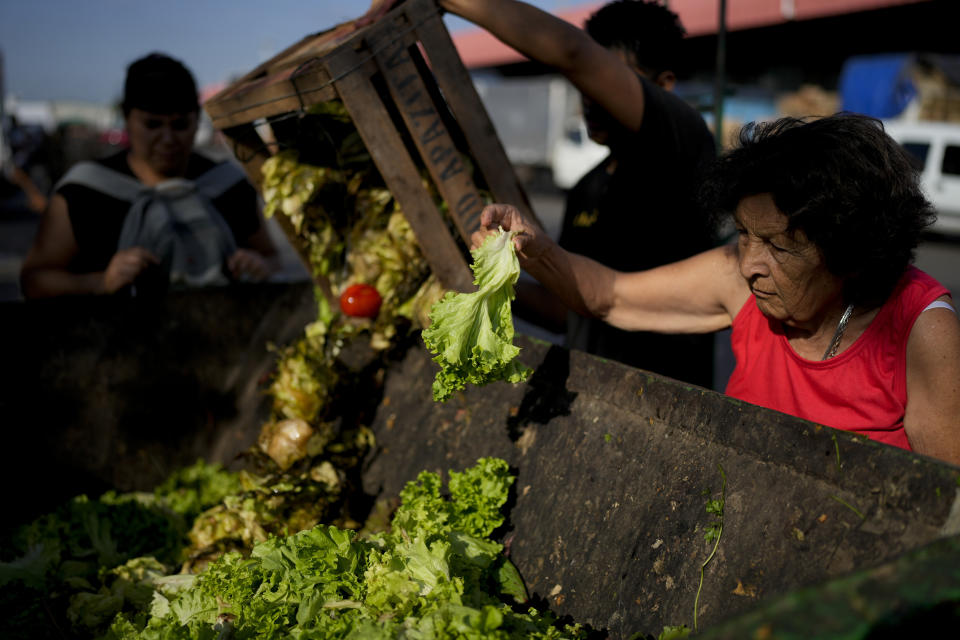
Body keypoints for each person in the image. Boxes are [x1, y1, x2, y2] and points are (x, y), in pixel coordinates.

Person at [472, 113, 960, 465]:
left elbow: (944, 516)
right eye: (746, 234)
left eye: (779, 248)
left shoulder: (923, 330)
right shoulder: (739, 281)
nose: (749, 264)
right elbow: (609, 296)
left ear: (852, 255)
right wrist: (537, 249)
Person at [439, 0, 717, 388]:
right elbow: (569, 307)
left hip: (667, 404)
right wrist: (494, 278)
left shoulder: (684, 144)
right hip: (593, 399)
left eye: (602, 77)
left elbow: (571, 54)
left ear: (664, 87)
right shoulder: (588, 184)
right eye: (584, 83)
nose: (587, 94)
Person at [20, 53, 279, 299]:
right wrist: (100, 282)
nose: (167, 139)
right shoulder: (84, 192)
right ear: (126, 117)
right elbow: (34, 281)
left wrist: (258, 265)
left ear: (197, 119)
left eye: (180, 125)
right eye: (152, 124)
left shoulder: (228, 185)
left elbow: (272, 258)